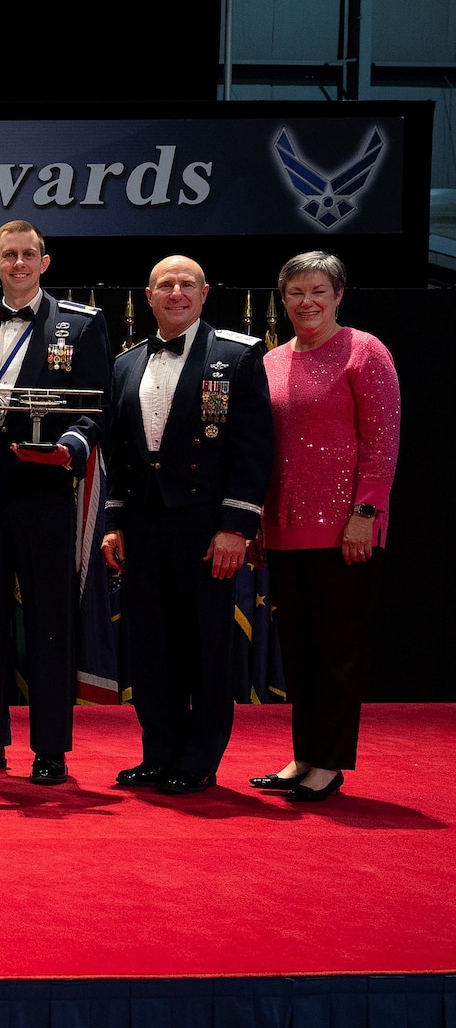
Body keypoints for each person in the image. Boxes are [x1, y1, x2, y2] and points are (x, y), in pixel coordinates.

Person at [99, 257, 272, 796]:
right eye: (166, 285)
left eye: (187, 285)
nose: (176, 292)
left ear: (204, 293)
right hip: (146, 526)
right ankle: (159, 752)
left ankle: (198, 758)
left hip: (205, 527)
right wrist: (115, 522)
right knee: (150, 645)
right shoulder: (126, 364)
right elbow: (120, 454)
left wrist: (236, 528)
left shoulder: (237, 356)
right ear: (148, 295)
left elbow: (252, 448)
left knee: (205, 645)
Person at [0, 220, 108, 786]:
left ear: (46, 261)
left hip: (45, 487)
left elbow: (98, 408)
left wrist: (70, 447)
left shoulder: (81, 324)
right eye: (8, 255)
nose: (18, 264)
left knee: (48, 619)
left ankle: (50, 748)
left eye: (28, 255)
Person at [252, 251, 399, 803]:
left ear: (339, 294)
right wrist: (261, 523)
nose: (306, 302)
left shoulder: (365, 351)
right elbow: (267, 450)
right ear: (283, 300)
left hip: (346, 531)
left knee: (337, 650)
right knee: (299, 651)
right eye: (295, 293)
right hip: (285, 529)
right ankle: (304, 755)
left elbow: (382, 441)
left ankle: (330, 764)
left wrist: (366, 514)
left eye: (318, 291)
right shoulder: (271, 362)